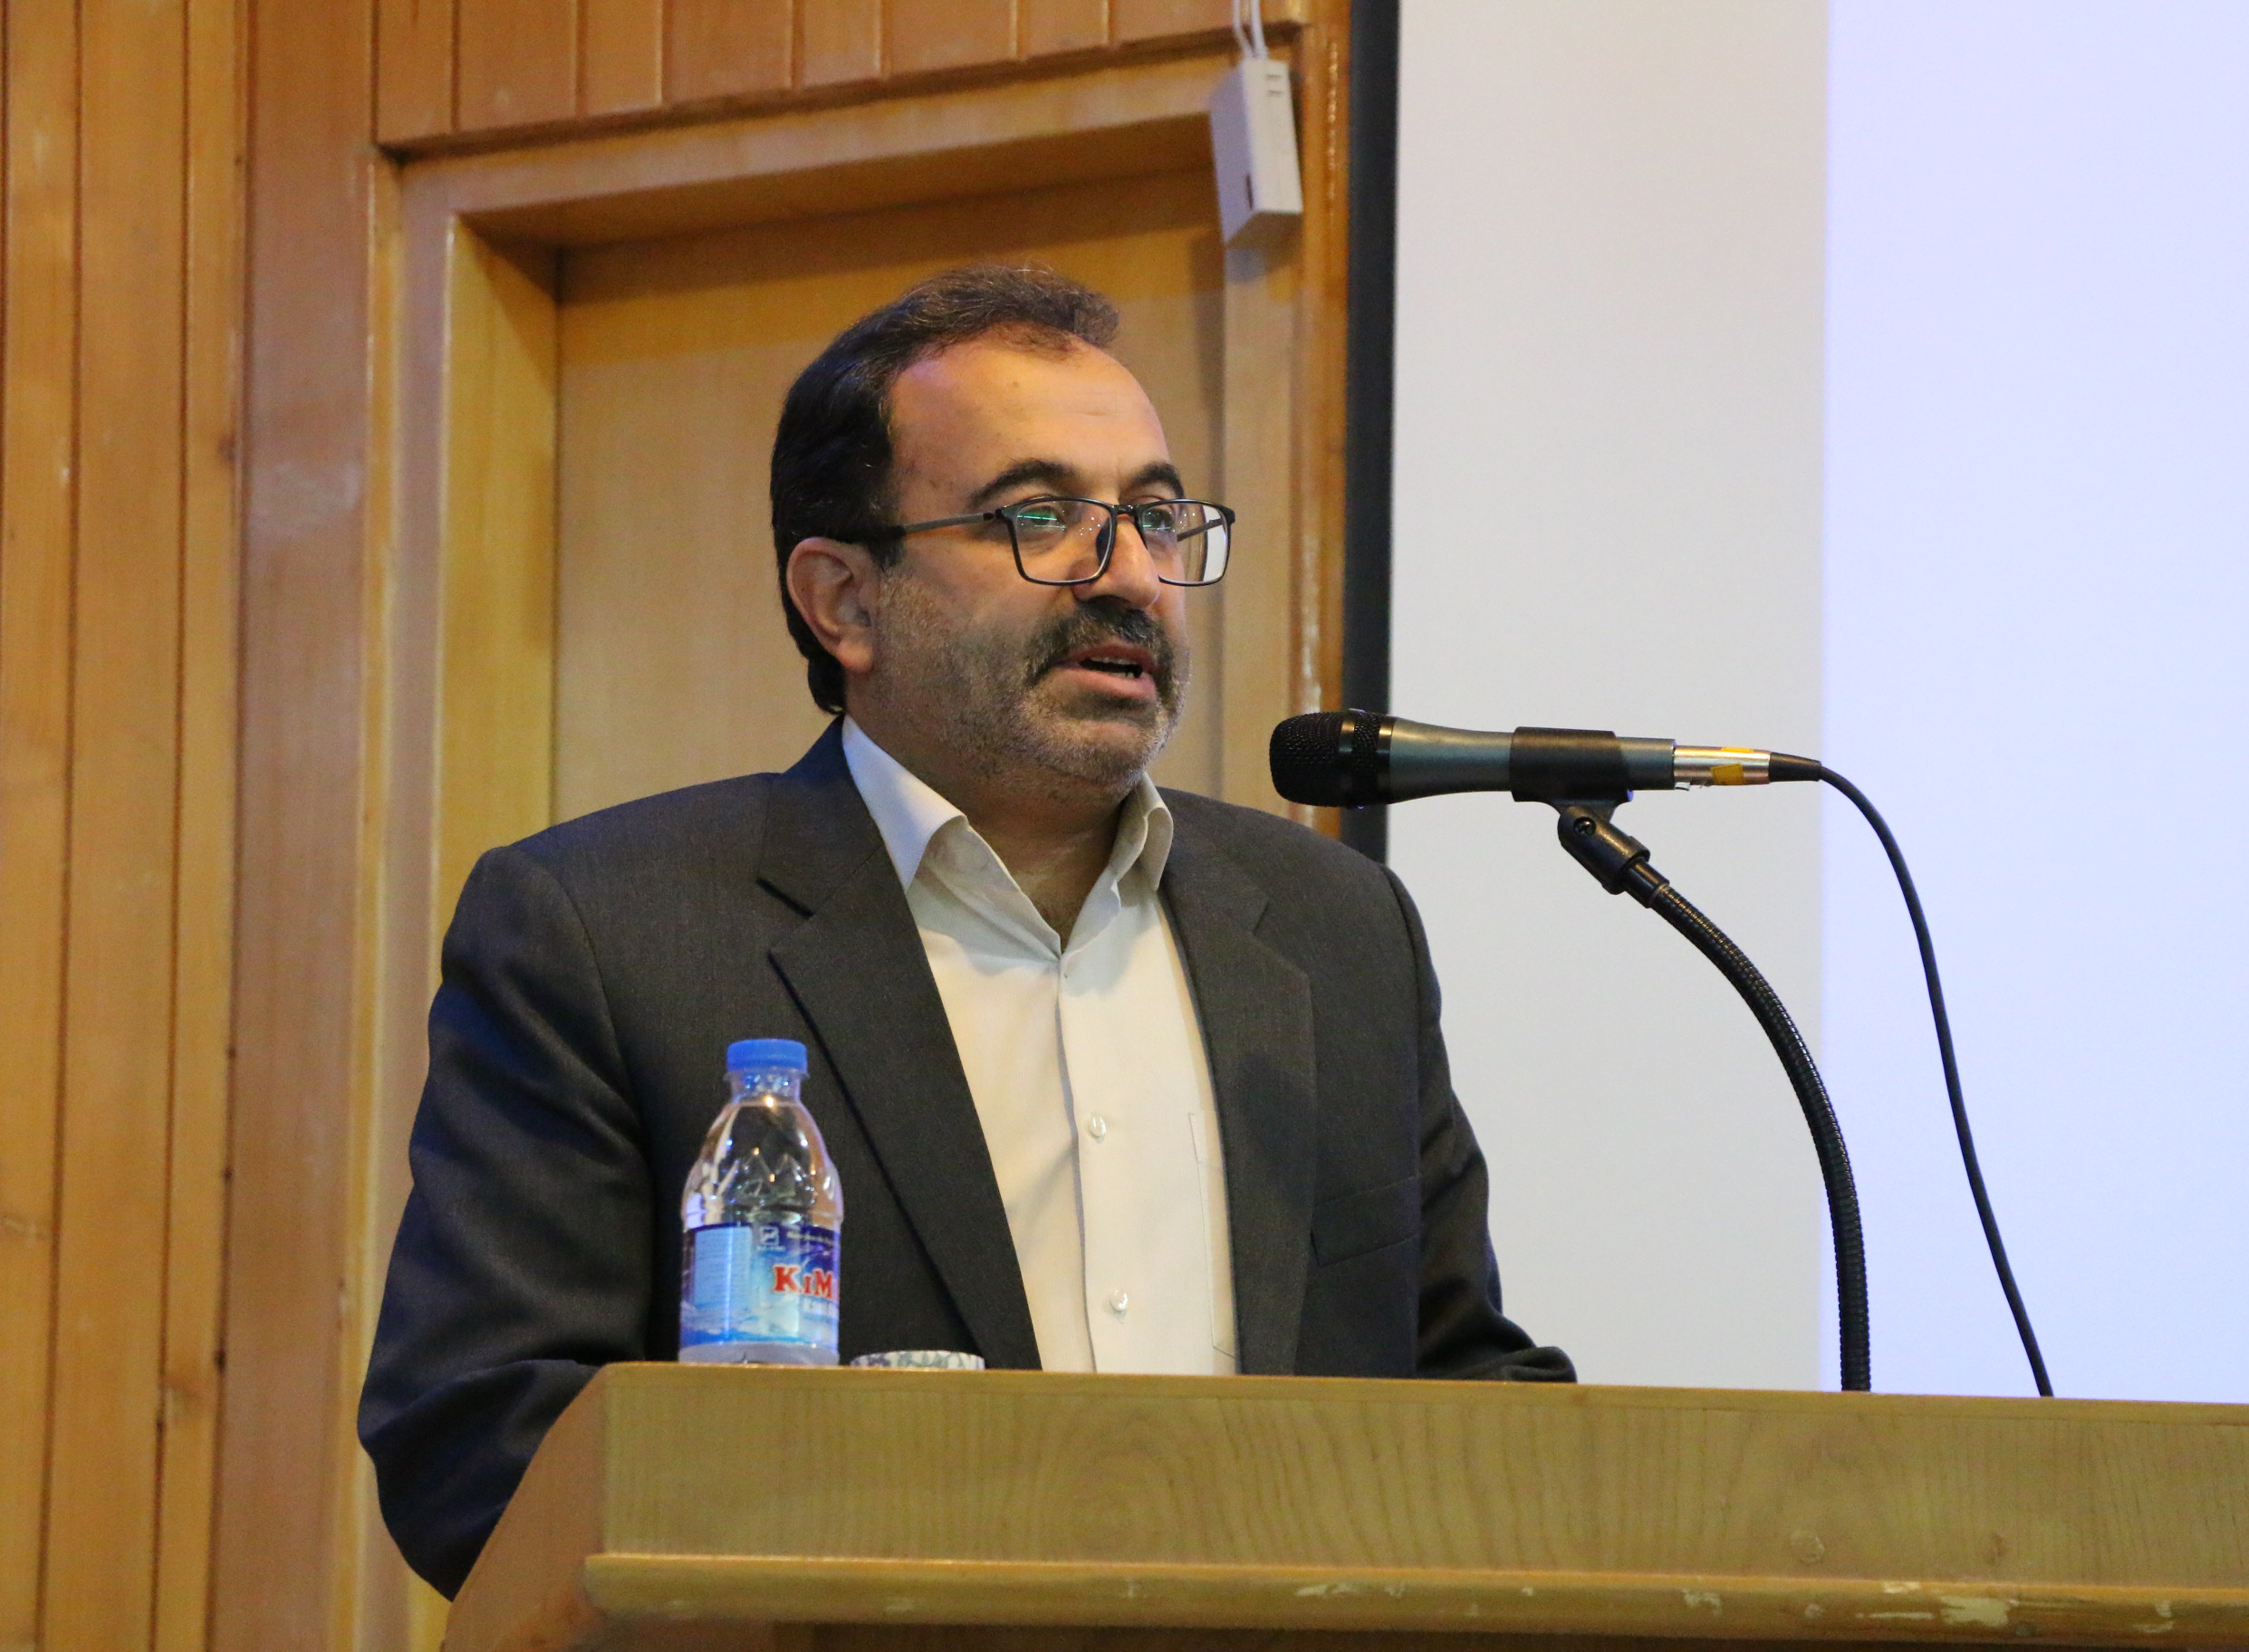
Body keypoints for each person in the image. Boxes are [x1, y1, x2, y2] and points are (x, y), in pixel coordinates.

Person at [359, 264, 1571, 1599]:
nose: (1130, 577)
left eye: (1156, 518)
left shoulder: (1335, 930)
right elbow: (480, 1444)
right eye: (1039, 516)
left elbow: (1461, 1388)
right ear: (844, 599)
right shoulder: (611, 928)